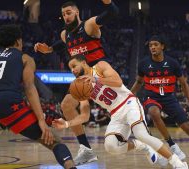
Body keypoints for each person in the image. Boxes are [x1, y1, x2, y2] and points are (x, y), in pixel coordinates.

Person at [0, 24, 77, 169]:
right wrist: (41, 121)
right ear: (18, 41)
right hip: (7, 101)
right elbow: (29, 88)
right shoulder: (25, 58)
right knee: (55, 141)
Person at [52, 55, 189, 169]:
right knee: (111, 146)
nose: (73, 70)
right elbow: (85, 115)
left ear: (83, 62)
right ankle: (140, 146)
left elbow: (117, 82)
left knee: (141, 134)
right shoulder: (81, 86)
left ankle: (177, 163)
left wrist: (96, 79)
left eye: (74, 66)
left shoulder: (100, 66)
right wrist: (66, 124)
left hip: (129, 103)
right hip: (116, 114)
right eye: (70, 68)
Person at [34, 0, 119, 165]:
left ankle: (155, 144)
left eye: (69, 13)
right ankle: (86, 149)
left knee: (126, 112)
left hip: (99, 72)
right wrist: (50, 49)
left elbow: (112, 13)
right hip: (82, 78)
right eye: (63, 14)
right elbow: (62, 44)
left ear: (77, 13)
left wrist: (108, 3)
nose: (66, 16)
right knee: (66, 106)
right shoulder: (65, 35)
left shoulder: (89, 25)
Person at [130, 35, 189, 164]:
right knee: (154, 112)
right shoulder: (144, 63)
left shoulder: (172, 63)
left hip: (169, 98)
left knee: (187, 127)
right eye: (150, 45)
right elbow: (138, 82)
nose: (152, 47)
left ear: (162, 46)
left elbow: (184, 84)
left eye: (155, 44)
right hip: (151, 97)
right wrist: (129, 95)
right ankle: (172, 145)